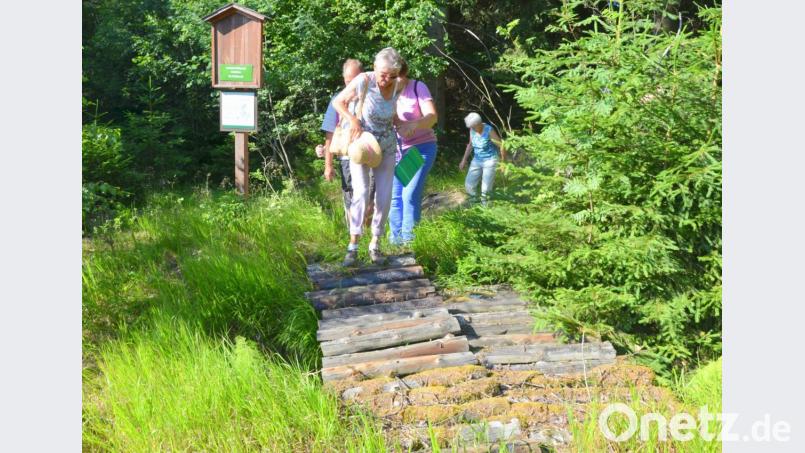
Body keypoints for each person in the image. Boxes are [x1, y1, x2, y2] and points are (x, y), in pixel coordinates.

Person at [333, 47, 406, 266]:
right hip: (362, 144)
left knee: (384, 197)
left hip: (387, 146)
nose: (387, 80)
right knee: (361, 192)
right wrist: (353, 120)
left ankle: (375, 244)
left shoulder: (399, 85)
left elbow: (392, 114)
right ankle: (353, 246)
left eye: (392, 75)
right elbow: (338, 102)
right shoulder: (364, 80)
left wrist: (404, 124)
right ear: (375, 68)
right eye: (383, 75)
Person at [318, 59, 374, 226]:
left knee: (370, 196)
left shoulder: (373, 96)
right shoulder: (337, 100)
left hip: (371, 155)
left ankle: (369, 231)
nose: (351, 85)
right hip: (347, 158)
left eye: (354, 80)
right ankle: (353, 232)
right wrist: (328, 166)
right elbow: (330, 135)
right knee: (350, 196)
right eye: (348, 81)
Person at [388, 59, 438, 245]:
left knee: (409, 195)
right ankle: (394, 243)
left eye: (397, 76)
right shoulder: (387, 91)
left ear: (404, 73)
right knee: (395, 198)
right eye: (389, 77)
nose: (393, 81)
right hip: (397, 151)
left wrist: (414, 125)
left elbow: (432, 117)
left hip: (420, 148)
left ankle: (409, 243)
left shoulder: (418, 87)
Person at [459, 112, 506, 205]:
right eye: (471, 127)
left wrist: (503, 163)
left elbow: (501, 146)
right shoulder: (472, 129)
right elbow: (470, 145)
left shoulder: (489, 130)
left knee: (485, 189)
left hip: (490, 160)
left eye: (473, 127)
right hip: (477, 160)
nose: (472, 129)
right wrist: (463, 160)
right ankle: (473, 203)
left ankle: (486, 209)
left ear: (479, 124)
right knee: (469, 184)